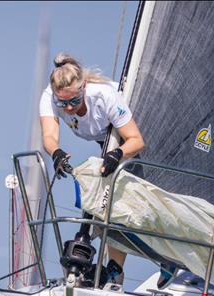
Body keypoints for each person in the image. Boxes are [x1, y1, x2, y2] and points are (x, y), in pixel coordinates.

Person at [39, 53, 146, 283]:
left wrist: (117, 154)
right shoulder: (49, 97)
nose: (68, 108)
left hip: (131, 133)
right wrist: (56, 153)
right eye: (62, 103)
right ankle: (107, 267)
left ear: (83, 88)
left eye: (74, 102)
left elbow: (136, 140)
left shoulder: (104, 96)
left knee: (116, 201)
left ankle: (117, 270)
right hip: (106, 142)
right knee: (100, 198)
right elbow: (49, 135)